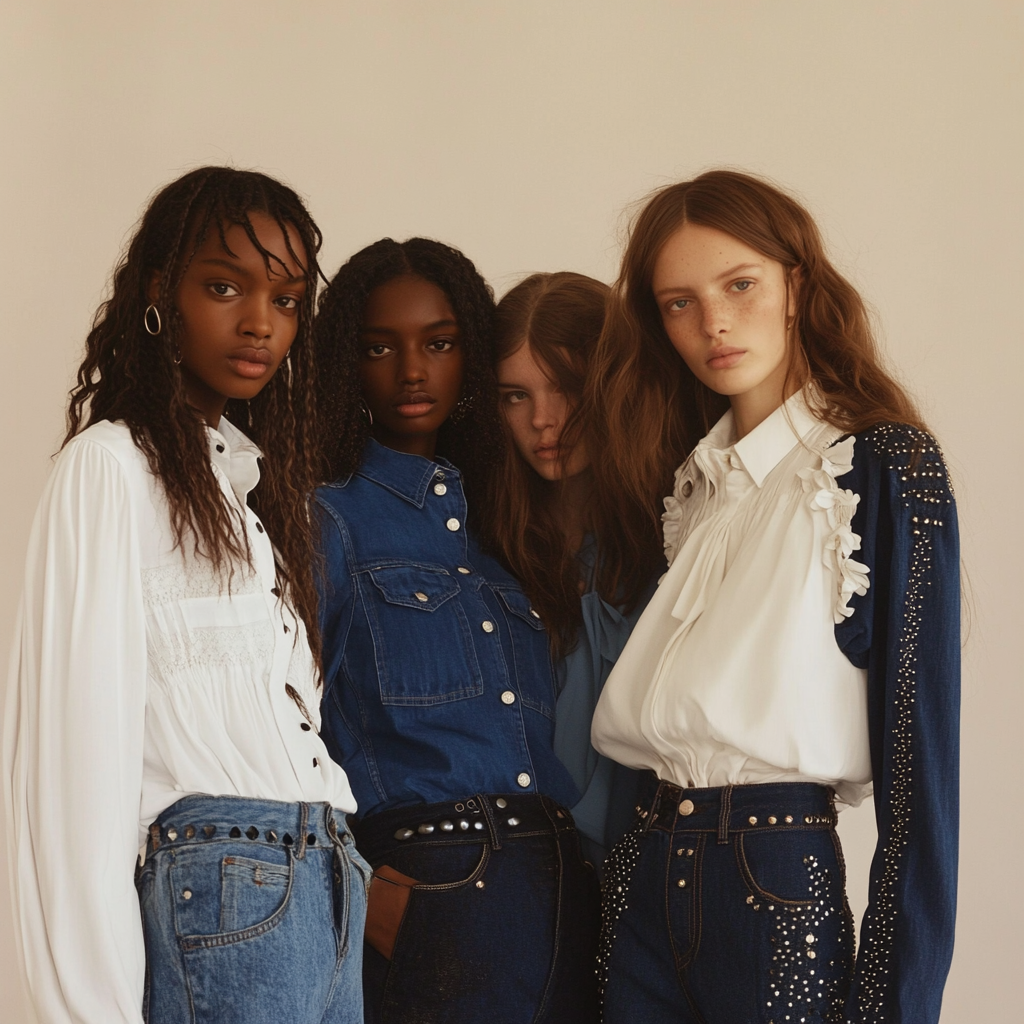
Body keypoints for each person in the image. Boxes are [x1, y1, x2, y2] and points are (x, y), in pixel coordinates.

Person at [587, 170, 959, 1023]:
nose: (713, 322)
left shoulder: (879, 466)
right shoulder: (693, 485)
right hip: (642, 876)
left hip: (772, 881)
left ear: (798, 285)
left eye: (740, 285)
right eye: (678, 302)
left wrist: (897, 1007)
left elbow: (921, 776)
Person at [4, 167, 368, 1024]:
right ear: (160, 292)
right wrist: (88, 1008)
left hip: (323, 887)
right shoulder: (111, 469)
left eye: (284, 299)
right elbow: (72, 762)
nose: (259, 323)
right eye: (223, 286)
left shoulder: (247, 501)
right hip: (226, 887)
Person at [312, 238, 601, 1024]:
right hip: (434, 885)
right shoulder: (329, 519)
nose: (412, 371)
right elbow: (282, 721)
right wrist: (360, 890)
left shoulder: (506, 526)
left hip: (562, 894)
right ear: (346, 360)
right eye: (380, 348)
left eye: (439, 344)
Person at [483, 272, 652, 871]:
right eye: (515, 396)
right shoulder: (478, 548)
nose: (544, 421)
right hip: (518, 873)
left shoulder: (677, 538)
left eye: (567, 389)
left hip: (654, 875)